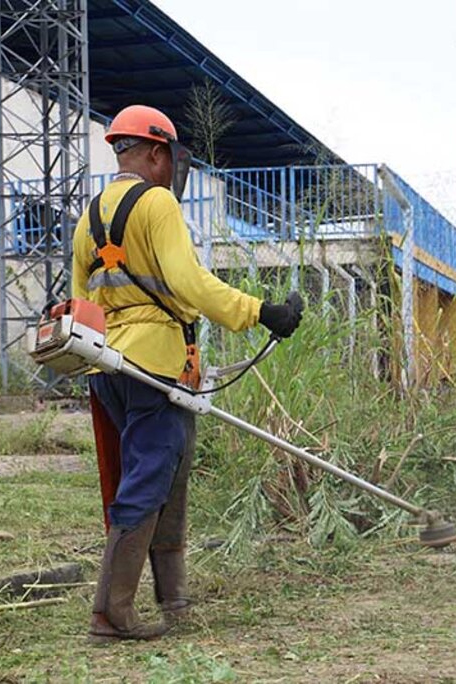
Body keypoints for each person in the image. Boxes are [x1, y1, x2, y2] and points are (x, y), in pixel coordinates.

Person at [71, 104, 303, 643]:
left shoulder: (90, 216)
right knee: (150, 476)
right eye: (171, 159)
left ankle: (173, 596)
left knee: (168, 473)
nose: (173, 171)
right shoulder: (156, 203)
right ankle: (113, 613)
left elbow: (82, 300)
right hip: (153, 363)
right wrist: (262, 312)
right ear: (156, 153)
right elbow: (189, 283)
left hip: (111, 365)